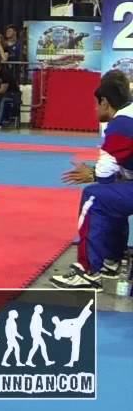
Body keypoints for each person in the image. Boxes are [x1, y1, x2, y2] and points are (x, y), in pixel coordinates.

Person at [51, 76, 133, 290]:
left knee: (95, 196)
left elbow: (104, 174)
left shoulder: (121, 124)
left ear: (104, 102)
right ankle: (112, 260)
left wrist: (92, 172)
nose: (95, 109)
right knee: (112, 194)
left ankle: (87, 271)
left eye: (96, 104)